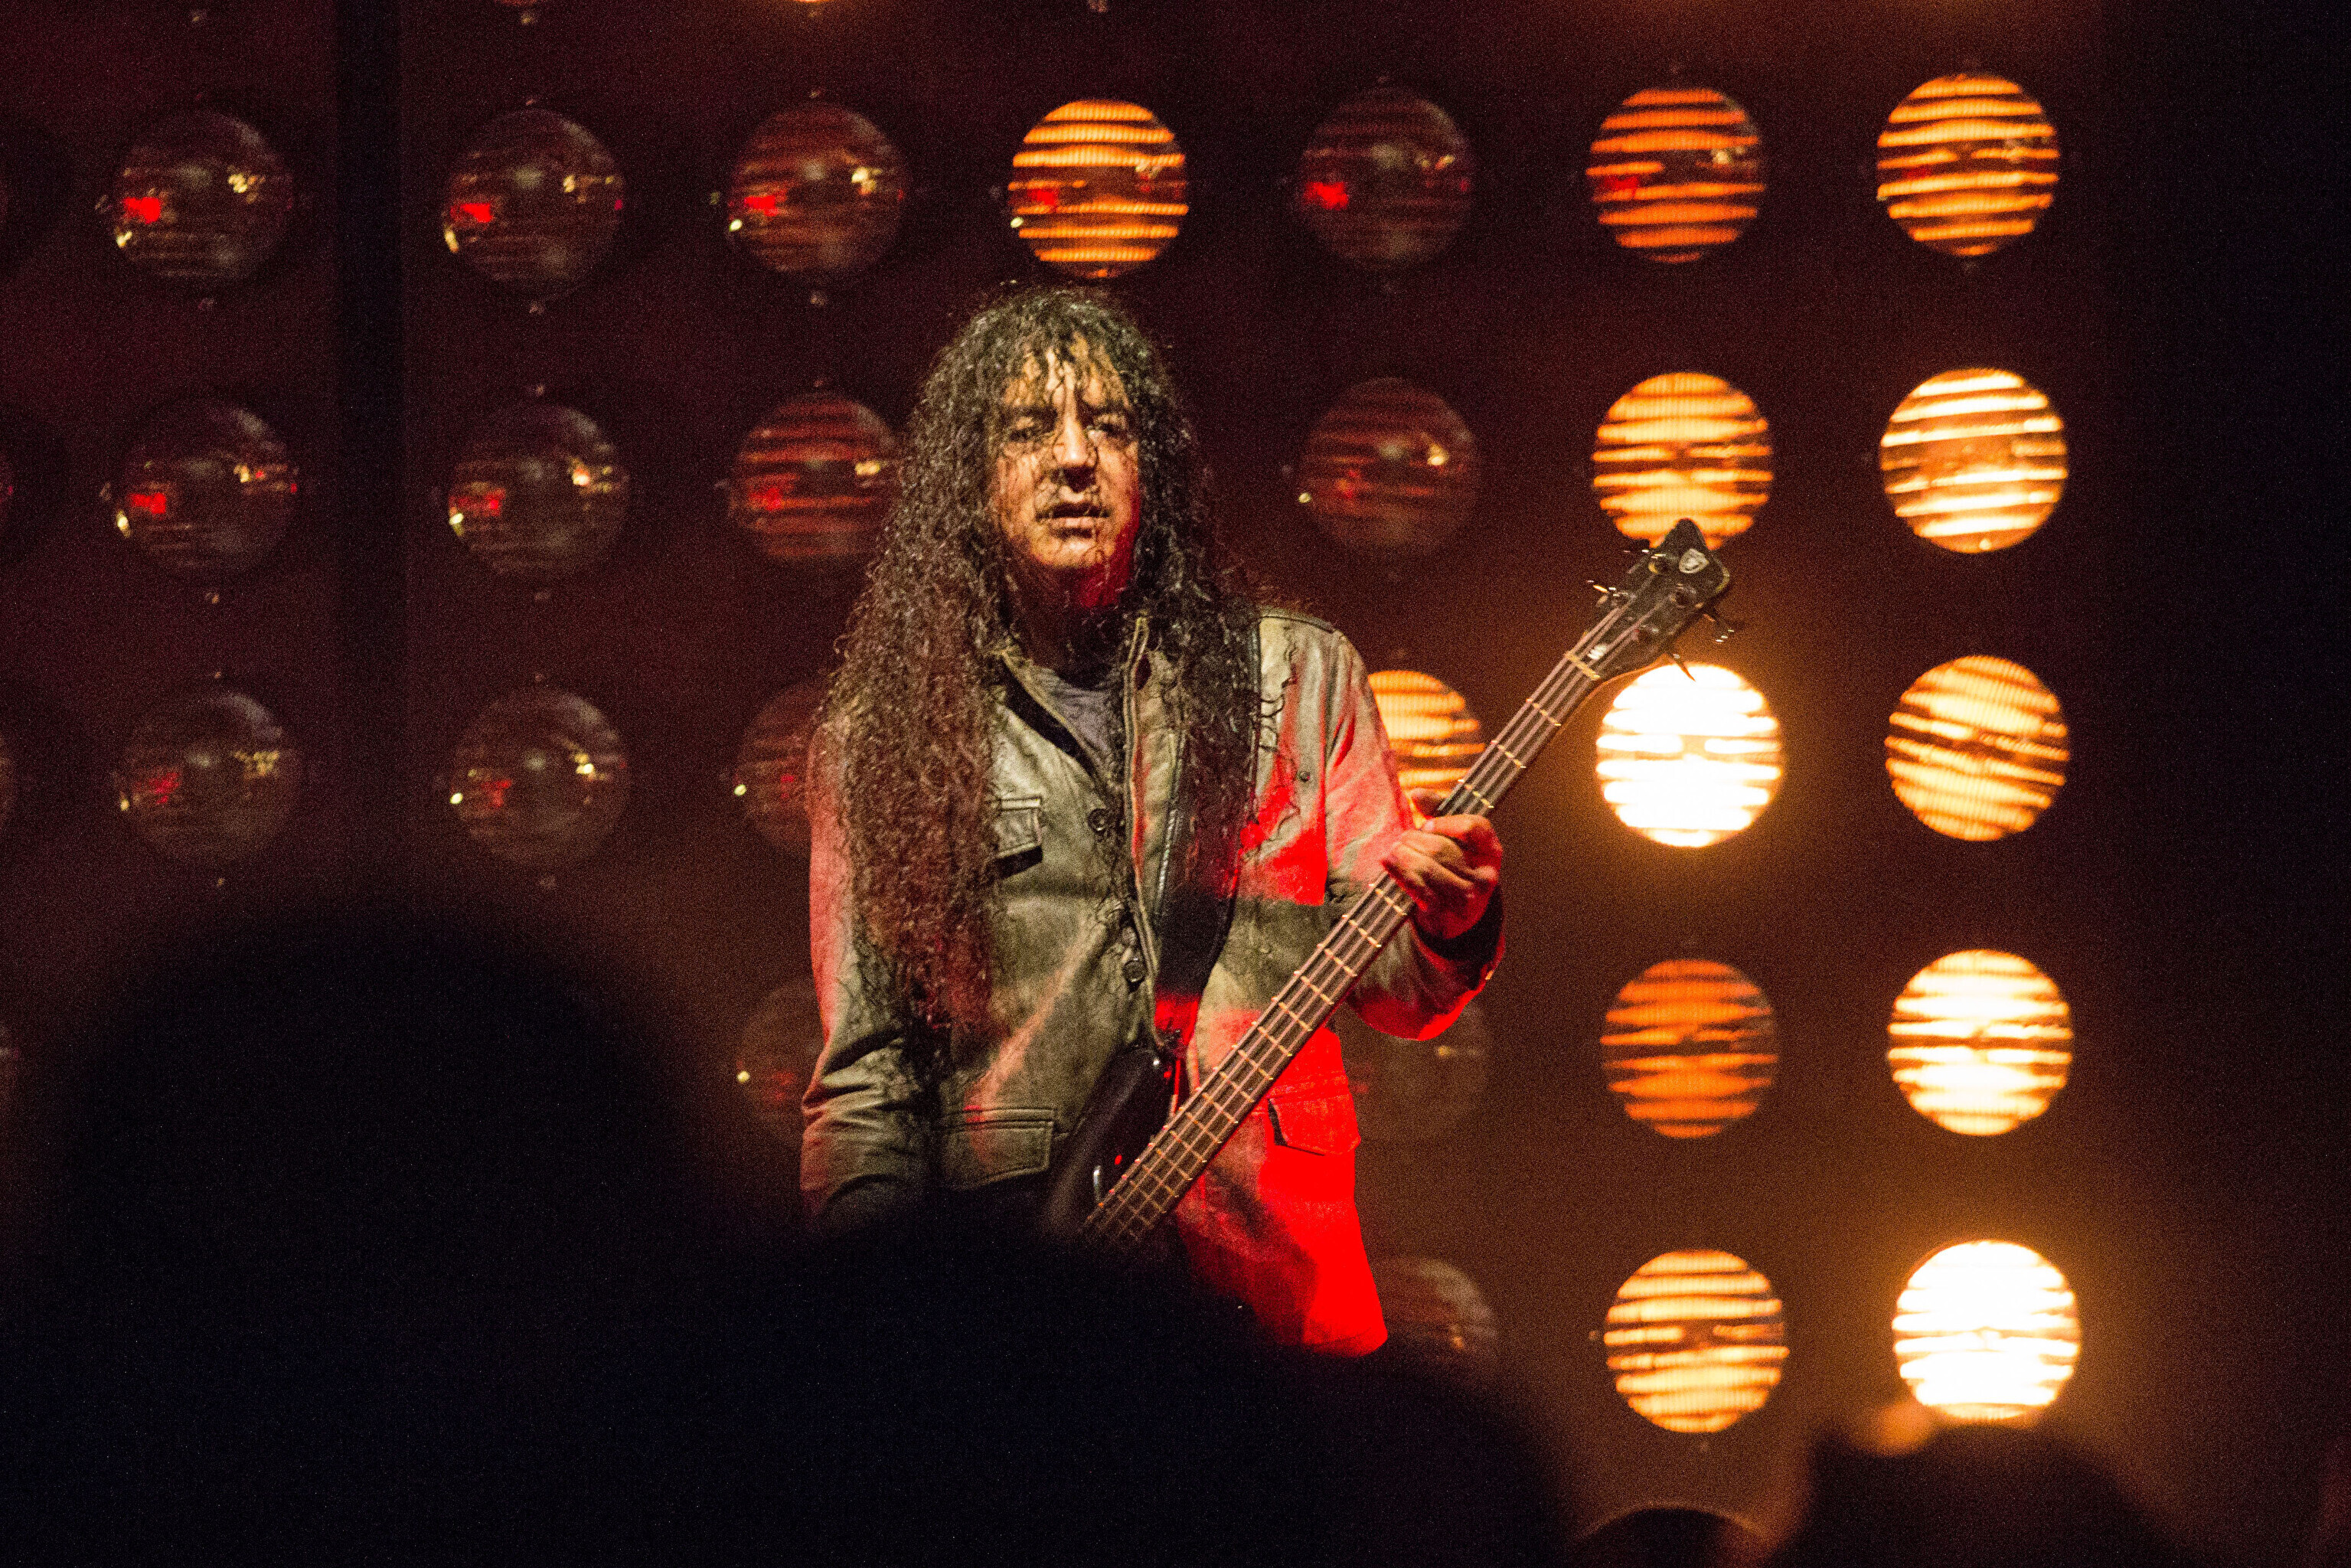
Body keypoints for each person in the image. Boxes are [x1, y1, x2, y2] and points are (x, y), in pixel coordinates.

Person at [799, 286, 1503, 1354]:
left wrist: (1455, 918)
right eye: (1028, 430)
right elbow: (868, 1079)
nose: (1074, 459)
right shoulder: (885, 738)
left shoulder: (1297, 678)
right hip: (1022, 1305)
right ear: (969, 480)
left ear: (1154, 469)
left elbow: (1403, 992)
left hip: (1274, 1289)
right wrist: (874, 1328)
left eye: (1110, 426)